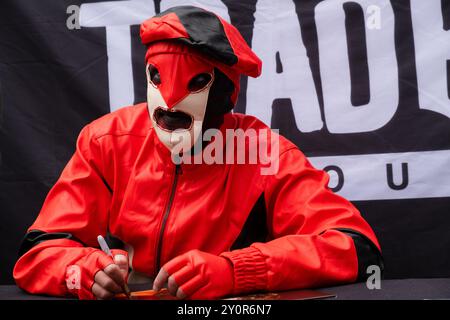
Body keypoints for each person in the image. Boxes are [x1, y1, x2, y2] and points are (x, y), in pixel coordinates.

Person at [13, 6, 383, 300]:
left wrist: (237, 271)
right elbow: (39, 253)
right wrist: (84, 272)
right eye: (157, 78)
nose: (170, 102)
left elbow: (355, 247)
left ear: (225, 94)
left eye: (197, 82)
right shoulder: (106, 141)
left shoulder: (262, 152)